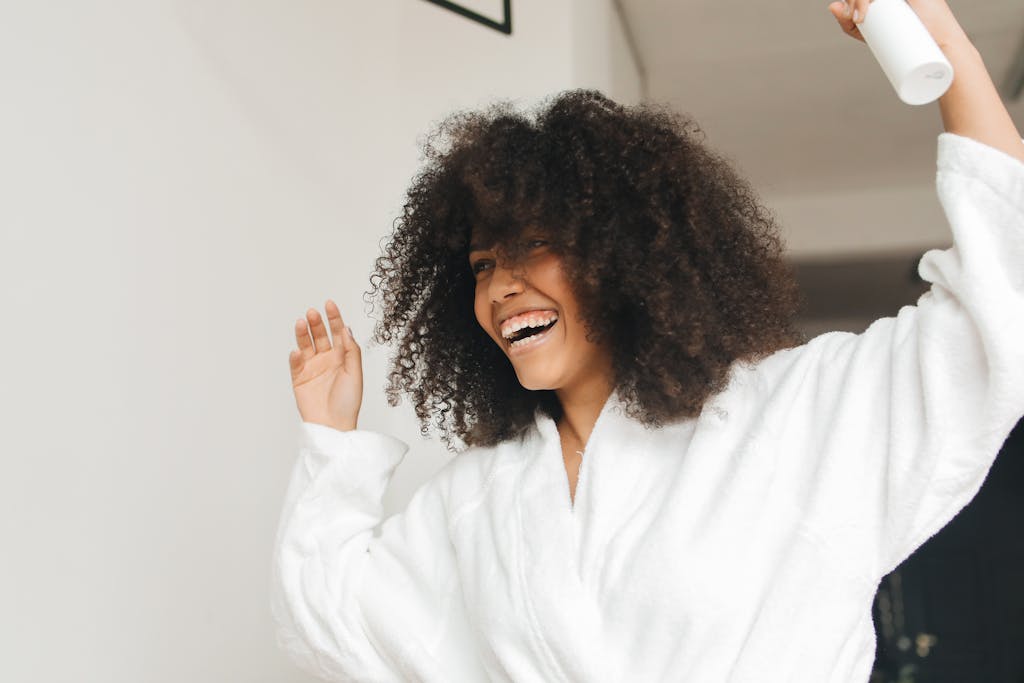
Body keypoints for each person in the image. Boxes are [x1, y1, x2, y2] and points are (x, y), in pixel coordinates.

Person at [271, 0, 1024, 680]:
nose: (500, 287)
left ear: (619, 255)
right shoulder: (477, 501)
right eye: (481, 265)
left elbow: (994, 319)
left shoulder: (786, 419)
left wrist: (947, 47)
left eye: (533, 246)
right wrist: (332, 443)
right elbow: (337, 620)